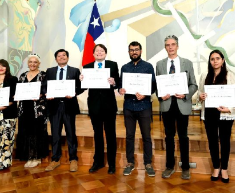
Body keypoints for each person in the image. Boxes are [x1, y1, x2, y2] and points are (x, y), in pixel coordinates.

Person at [156, 35, 198, 180]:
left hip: (182, 104)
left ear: (177, 46)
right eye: (168, 45)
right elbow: (158, 85)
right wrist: (161, 96)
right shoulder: (160, 64)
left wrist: (186, 94)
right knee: (168, 137)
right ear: (165, 47)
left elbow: (194, 84)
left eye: (173, 44)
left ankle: (185, 167)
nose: (171, 47)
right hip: (167, 105)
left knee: (183, 137)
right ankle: (169, 166)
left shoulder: (187, 63)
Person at [198, 50, 235, 183]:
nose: (215, 61)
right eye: (212, 59)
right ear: (210, 61)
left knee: (225, 141)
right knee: (212, 141)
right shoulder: (205, 75)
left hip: (225, 113)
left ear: (223, 60)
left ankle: (224, 168)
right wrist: (200, 96)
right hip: (209, 113)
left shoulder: (229, 75)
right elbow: (200, 92)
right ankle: (216, 167)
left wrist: (229, 108)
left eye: (217, 58)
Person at [119, 41, 156, 177]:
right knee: (129, 136)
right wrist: (120, 89)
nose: (134, 52)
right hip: (129, 106)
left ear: (141, 51)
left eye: (136, 50)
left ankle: (148, 163)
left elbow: (153, 86)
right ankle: (130, 163)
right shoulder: (124, 68)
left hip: (144, 106)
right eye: (131, 50)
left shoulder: (148, 66)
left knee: (146, 136)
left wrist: (145, 94)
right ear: (128, 52)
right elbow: (120, 84)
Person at [81, 44, 119, 174]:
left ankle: (112, 164)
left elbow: (118, 83)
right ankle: (98, 162)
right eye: (97, 51)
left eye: (102, 50)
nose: (99, 52)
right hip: (94, 106)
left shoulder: (113, 65)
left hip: (109, 105)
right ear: (93, 54)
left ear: (105, 53)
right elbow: (82, 88)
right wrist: (81, 80)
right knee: (97, 135)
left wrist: (114, 82)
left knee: (110, 135)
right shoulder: (87, 68)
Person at [45, 49, 83, 172]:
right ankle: (55, 159)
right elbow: (45, 86)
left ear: (67, 57)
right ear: (56, 59)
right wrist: (46, 93)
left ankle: (73, 159)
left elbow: (81, 86)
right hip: (54, 106)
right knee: (55, 134)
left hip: (69, 106)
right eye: (59, 56)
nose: (62, 57)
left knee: (71, 133)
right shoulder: (50, 71)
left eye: (64, 55)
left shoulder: (75, 71)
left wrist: (74, 93)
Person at [16, 54, 49, 168]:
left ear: (39, 63)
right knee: (25, 131)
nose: (32, 64)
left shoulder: (44, 75)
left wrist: (40, 94)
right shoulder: (23, 75)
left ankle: (37, 157)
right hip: (24, 107)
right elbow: (19, 89)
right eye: (30, 62)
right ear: (27, 63)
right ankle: (28, 156)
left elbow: (47, 91)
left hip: (38, 109)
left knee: (37, 132)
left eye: (35, 62)